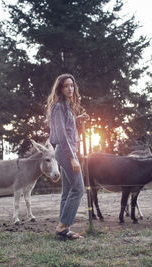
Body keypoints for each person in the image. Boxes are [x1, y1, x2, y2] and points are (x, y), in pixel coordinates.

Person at [46, 73, 89, 240]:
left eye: (72, 85)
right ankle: (63, 224)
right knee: (78, 189)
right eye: (66, 86)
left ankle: (64, 230)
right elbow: (62, 134)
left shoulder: (66, 107)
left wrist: (77, 118)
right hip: (65, 152)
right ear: (60, 89)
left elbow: (65, 126)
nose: (70, 88)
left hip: (67, 151)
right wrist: (72, 158)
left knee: (67, 191)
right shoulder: (58, 107)